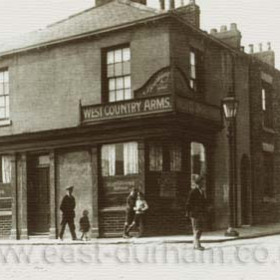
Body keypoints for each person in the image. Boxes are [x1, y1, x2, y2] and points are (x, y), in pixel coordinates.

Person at [186, 174, 208, 250]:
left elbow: (204, 202)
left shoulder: (202, 192)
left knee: (200, 228)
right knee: (197, 229)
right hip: (195, 214)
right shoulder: (193, 192)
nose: (203, 184)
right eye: (202, 182)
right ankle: (197, 245)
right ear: (199, 183)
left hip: (201, 213)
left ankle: (195, 244)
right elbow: (188, 203)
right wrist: (189, 213)